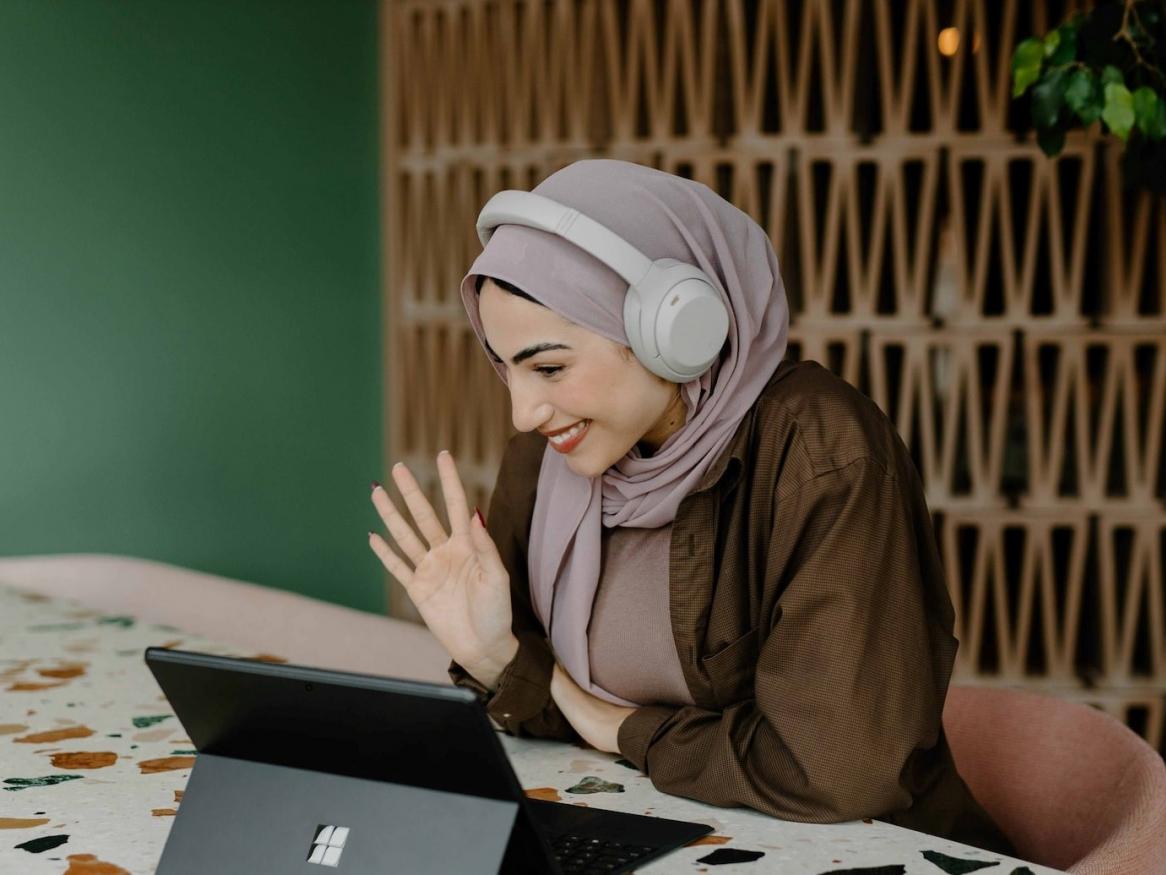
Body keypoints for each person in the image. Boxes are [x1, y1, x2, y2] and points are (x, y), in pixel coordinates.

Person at [368, 159, 1013, 853]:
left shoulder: (820, 448)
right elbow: (552, 723)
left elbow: (835, 769)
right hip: (661, 837)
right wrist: (498, 658)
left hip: (872, 854)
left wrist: (615, 723)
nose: (524, 412)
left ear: (672, 330)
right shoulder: (550, 456)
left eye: (549, 367)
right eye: (507, 368)